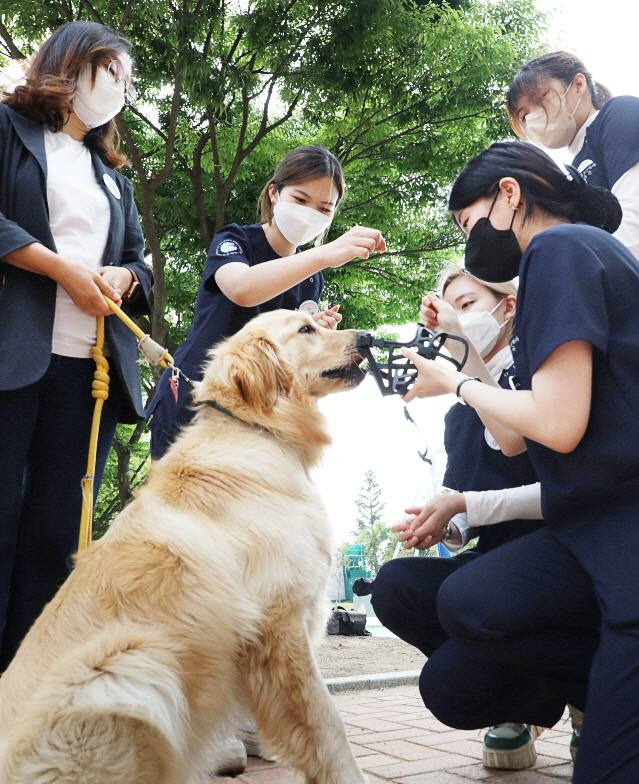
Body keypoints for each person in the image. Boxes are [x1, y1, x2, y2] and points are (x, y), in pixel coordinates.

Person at [402, 139, 639, 783]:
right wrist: (461, 357)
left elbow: (559, 425)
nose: (471, 240)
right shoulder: (572, 258)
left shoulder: (559, 251)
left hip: (623, 527)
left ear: (510, 195)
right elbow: (512, 437)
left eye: (469, 222)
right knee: (472, 601)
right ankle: (602, 684)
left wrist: (452, 386)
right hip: (586, 530)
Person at [0, 21, 152, 671]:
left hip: (84, 372)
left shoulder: (112, 176)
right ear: (71, 63)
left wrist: (120, 276)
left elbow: (139, 264)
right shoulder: (7, 132)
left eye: (127, 79)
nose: (119, 86)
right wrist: (63, 269)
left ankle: (24, 682)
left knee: (54, 532)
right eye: (109, 70)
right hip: (11, 357)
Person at [369, 269, 551, 770]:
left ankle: (584, 692)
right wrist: (443, 524)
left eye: (468, 304)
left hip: (557, 552)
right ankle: (521, 702)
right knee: (395, 585)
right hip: (494, 561)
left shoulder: (542, 375)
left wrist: (464, 505)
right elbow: (466, 496)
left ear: (507, 306)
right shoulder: (458, 413)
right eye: (449, 311)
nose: (456, 320)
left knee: (468, 594)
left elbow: (523, 452)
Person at [149, 145, 386, 459]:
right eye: (301, 200)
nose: (310, 214)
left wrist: (312, 332)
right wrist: (323, 256)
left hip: (256, 417)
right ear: (275, 193)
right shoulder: (236, 240)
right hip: (197, 396)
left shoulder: (312, 279)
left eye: (324, 209)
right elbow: (241, 288)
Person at [506, 51, 639, 259]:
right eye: (524, 115)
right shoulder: (572, 172)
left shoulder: (619, 113)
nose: (533, 117)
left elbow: (633, 219)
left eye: (540, 97)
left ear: (578, 85)